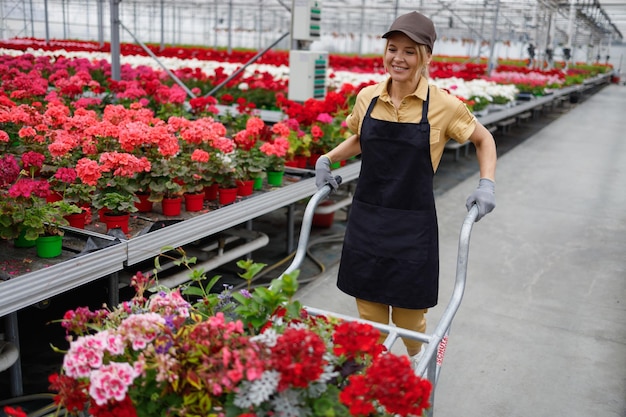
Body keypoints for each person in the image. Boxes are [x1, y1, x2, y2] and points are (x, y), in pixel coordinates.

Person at [315, 10, 497, 369]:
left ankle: (423, 369)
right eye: (392, 48)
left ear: (427, 56)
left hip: (413, 225)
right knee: (369, 313)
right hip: (367, 218)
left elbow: (483, 138)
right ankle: (372, 378)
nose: (398, 58)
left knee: (411, 318)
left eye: (410, 51)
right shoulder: (367, 97)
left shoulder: (442, 104)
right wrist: (329, 157)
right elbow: (361, 137)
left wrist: (486, 183)